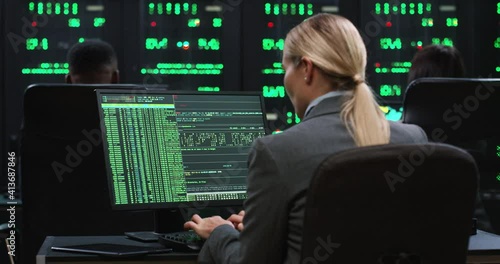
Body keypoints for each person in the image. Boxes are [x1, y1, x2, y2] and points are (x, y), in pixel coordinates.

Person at [184, 14, 428, 263]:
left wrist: (220, 233)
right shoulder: (413, 137)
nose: (284, 78)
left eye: (285, 69)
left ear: (307, 69)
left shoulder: (277, 151)